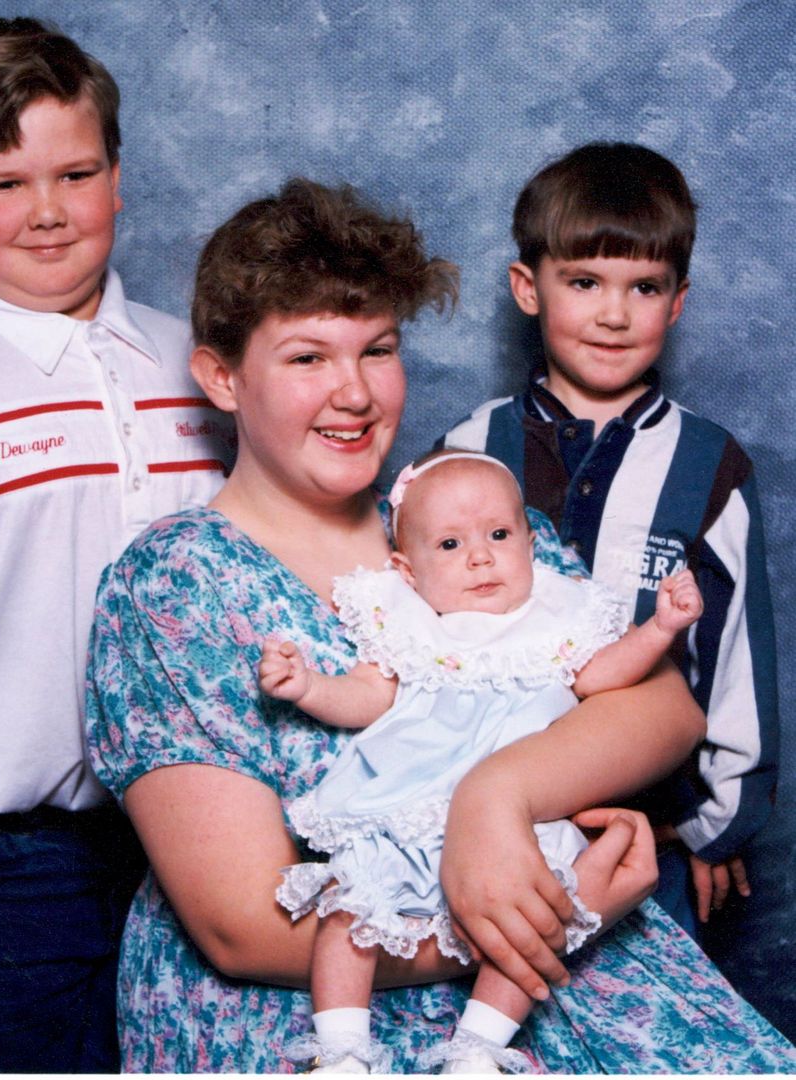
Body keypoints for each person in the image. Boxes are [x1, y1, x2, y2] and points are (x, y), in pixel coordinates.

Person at [86, 177, 795, 1073]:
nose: (353, 392)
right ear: (222, 378)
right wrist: (554, 911)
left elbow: (664, 710)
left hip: (559, 968)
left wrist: (497, 798)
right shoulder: (173, 582)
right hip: (320, 1005)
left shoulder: (469, 522)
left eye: (377, 350)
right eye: (308, 359)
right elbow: (238, 929)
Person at [0, 18, 233, 1073]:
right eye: (3, 183)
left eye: (75, 174)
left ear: (117, 179)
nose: (46, 211)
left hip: (198, 852)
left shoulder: (200, 367)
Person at [260, 449, 704, 1073]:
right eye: (450, 544)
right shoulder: (411, 624)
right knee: (351, 909)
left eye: (499, 535)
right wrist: (308, 687)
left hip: (518, 822)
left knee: (534, 920)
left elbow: (600, 678)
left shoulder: (558, 617)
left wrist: (660, 630)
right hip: (415, 799)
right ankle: (340, 1050)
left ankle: (479, 1047)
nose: (480, 557)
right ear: (407, 570)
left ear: (530, 543)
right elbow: (369, 697)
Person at [440, 142, 778, 938]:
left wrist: (715, 825)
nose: (615, 315)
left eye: (644, 287)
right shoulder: (468, 448)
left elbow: (735, 658)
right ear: (528, 288)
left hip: (643, 836)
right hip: (478, 824)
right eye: (585, 282)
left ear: (678, 302)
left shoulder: (708, 464)